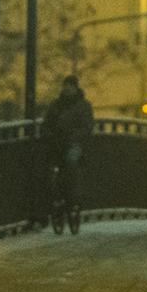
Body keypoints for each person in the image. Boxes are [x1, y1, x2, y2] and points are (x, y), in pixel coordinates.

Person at [42, 74, 95, 233]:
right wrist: (48, 134)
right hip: (57, 144)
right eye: (65, 86)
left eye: (70, 86)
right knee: (51, 168)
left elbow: (87, 127)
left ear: (75, 87)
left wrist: (74, 137)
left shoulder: (83, 106)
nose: (66, 89)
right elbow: (46, 124)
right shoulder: (55, 105)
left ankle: (73, 198)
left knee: (71, 163)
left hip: (74, 144)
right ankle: (57, 198)